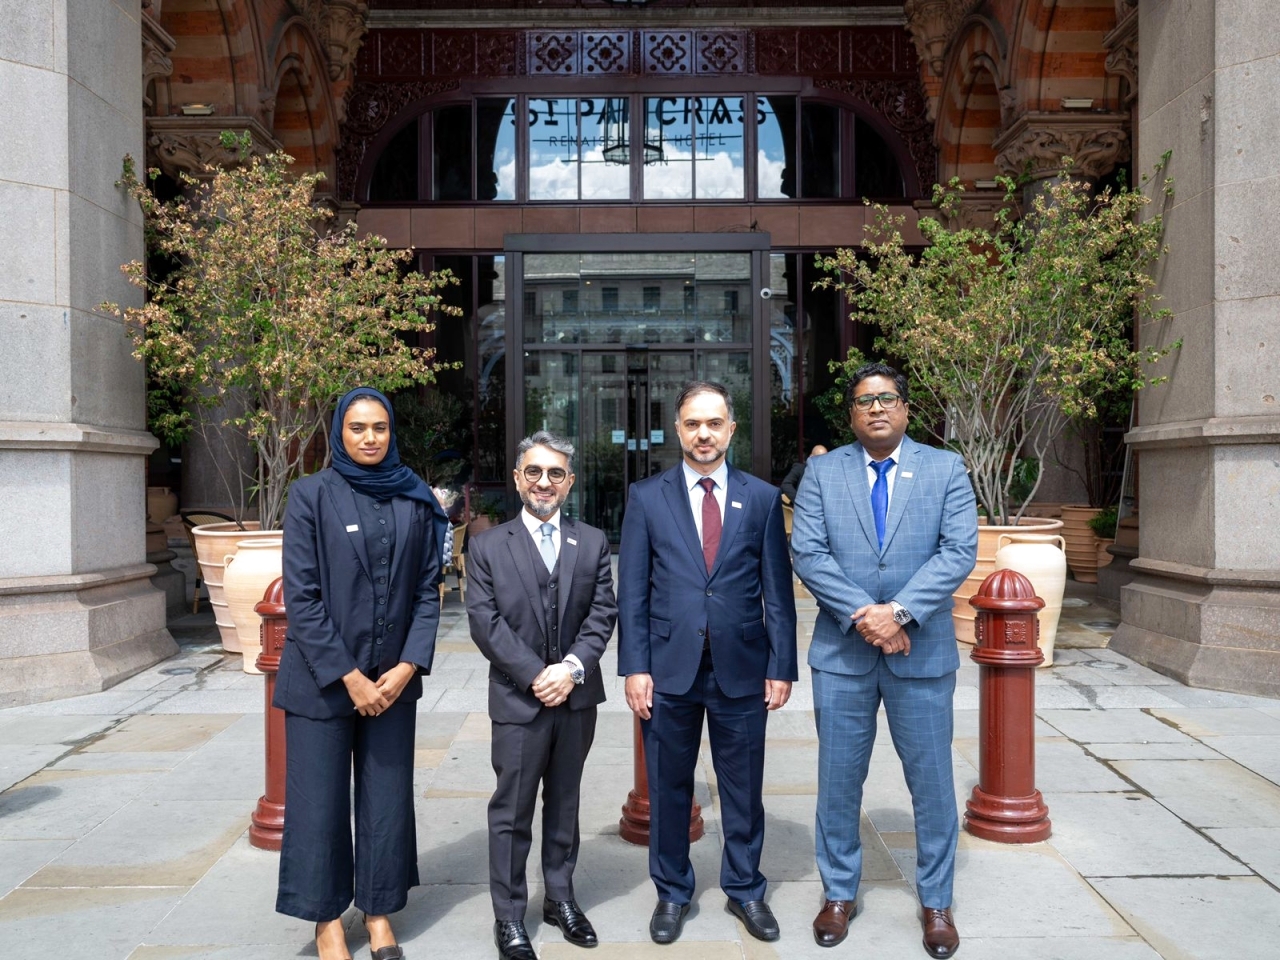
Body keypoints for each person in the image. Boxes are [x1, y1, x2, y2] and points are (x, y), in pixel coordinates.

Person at [790, 363, 977, 958]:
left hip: (921, 654)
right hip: (842, 656)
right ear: (851, 414)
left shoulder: (945, 468)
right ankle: (838, 893)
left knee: (933, 782)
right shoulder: (823, 472)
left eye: (887, 398)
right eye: (865, 400)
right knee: (838, 782)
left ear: (905, 408)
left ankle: (937, 900)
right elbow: (808, 552)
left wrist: (897, 613)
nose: (876, 408)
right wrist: (865, 616)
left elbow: (958, 551)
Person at [617, 380, 798, 945]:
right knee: (669, 787)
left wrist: (781, 666)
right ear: (677, 430)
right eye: (693, 424)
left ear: (731, 430)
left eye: (714, 424)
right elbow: (633, 592)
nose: (703, 434)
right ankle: (672, 891)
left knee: (743, 788)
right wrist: (634, 667)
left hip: (742, 668)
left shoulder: (761, 498)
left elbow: (778, 591)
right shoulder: (647, 497)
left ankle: (745, 888)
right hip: (667, 670)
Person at [274, 387, 450, 960]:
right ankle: (326, 920)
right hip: (323, 681)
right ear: (339, 433)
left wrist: (406, 667)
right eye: (357, 428)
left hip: (393, 681)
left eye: (379, 427)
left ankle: (378, 913)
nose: (370, 438)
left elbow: (427, 590)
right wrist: (350, 677)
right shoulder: (310, 495)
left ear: (391, 431)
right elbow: (302, 598)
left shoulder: (415, 497)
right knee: (318, 805)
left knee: (387, 801)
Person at [466, 431, 618, 960]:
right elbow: (484, 622)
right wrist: (536, 675)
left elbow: (602, 612)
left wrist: (571, 670)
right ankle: (509, 916)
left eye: (555, 473)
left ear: (569, 482)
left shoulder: (592, 542)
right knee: (511, 810)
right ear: (517, 479)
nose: (544, 482)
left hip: (576, 699)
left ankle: (560, 897)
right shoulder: (487, 546)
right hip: (518, 699)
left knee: (565, 802)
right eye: (534, 471)